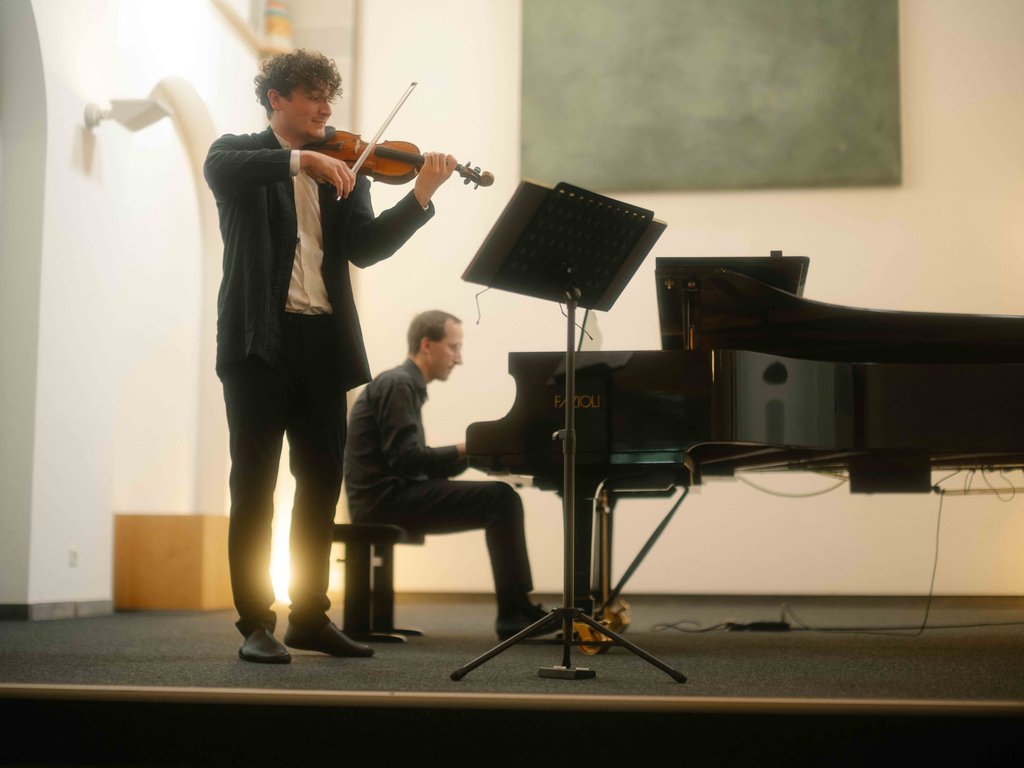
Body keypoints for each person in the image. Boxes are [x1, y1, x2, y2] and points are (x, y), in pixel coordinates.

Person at [203, 49, 456, 663]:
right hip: (258, 341)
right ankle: (255, 623)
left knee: (319, 483)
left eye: (328, 97)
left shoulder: (348, 170)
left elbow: (366, 250)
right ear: (276, 101)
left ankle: (311, 617)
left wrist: (419, 196)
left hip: (322, 342)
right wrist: (299, 160)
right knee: (255, 486)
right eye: (311, 95)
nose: (324, 107)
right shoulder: (239, 154)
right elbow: (225, 168)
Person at [344, 310, 549, 640]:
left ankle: (517, 608)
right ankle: (514, 612)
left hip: (385, 495)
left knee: (500, 498)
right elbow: (406, 459)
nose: (459, 358)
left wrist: (469, 453)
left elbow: (411, 462)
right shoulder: (399, 384)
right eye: (454, 347)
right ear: (427, 345)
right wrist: (465, 447)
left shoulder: (402, 383)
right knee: (501, 498)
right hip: (383, 501)